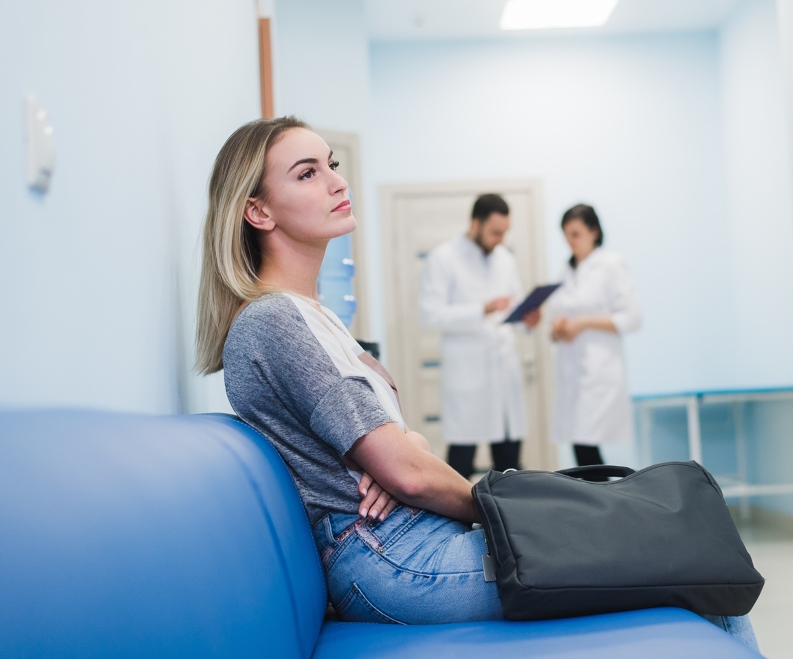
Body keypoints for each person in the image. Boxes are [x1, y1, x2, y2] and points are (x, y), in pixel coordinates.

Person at [194, 117, 758, 649]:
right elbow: (407, 469)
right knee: (687, 564)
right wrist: (514, 513)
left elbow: (402, 447)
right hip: (392, 558)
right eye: (308, 173)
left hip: (412, 537)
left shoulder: (315, 318)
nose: (337, 181)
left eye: (332, 163)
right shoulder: (276, 322)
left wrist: (398, 456)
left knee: (694, 561)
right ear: (259, 212)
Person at [417, 194, 540, 479]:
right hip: (468, 375)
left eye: (504, 232)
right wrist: (481, 310)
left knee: (509, 464)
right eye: (495, 232)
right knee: (461, 465)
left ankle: (512, 522)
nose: (500, 239)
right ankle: (457, 522)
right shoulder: (443, 258)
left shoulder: (505, 259)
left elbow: (514, 305)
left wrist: (527, 318)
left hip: (503, 372)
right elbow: (430, 315)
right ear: (476, 223)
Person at [549, 204, 642, 468]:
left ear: (594, 231)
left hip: (599, 371)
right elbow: (557, 319)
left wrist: (583, 322)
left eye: (576, 234)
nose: (570, 241)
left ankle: (607, 502)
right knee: (582, 448)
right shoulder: (565, 272)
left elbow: (632, 317)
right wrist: (557, 329)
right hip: (572, 371)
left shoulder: (611, 265)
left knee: (586, 449)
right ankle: (603, 503)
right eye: (566, 235)